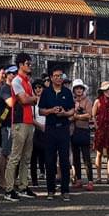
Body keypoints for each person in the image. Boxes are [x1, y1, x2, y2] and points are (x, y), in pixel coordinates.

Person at [3, 53, 38, 202]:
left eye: (30, 64)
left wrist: (31, 99)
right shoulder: (17, 81)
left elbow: (31, 100)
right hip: (19, 121)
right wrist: (32, 98)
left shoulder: (27, 81)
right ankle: (9, 189)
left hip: (29, 121)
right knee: (15, 156)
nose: (30, 66)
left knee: (26, 157)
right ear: (20, 65)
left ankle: (23, 186)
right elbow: (24, 99)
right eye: (28, 64)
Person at [39, 68, 74, 201]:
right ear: (51, 77)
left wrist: (64, 113)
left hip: (63, 128)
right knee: (49, 160)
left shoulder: (67, 92)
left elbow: (72, 110)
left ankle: (65, 190)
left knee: (64, 160)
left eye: (60, 76)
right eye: (56, 76)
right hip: (50, 128)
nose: (58, 78)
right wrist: (51, 111)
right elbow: (41, 111)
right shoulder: (46, 92)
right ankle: (50, 190)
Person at [70, 79, 93, 191]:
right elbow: (69, 114)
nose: (79, 90)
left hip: (84, 130)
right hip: (73, 131)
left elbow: (89, 115)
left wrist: (77, 116)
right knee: (76, 157)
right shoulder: (72, 101)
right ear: (74, 90)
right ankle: (78, 180)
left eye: (80, 88)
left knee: (86, 157)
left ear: (83, 90)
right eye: (77, 88)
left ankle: (90, 181)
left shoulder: (87, 100)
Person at [0, 66, 13, 189]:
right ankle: (2, 179)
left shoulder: (15, 87)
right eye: (11, 73)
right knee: (5, 152)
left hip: (16, 122)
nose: (14, 75)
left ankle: (11, 179)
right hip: (6, 123)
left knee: (14, 154)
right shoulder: (5, 88)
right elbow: (8, 105)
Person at [93, 81, 109, 185]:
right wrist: (96, 126)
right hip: (101, 128)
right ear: (103, 91)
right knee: (99, 153)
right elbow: (93, 115)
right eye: (107, 89)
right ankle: (98, 177)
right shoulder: (97, 101)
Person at [29, 79, 46, 186]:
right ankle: (34, 180)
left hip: (47, 130)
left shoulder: (47, 100)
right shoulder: (32, 102)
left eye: (40, 87)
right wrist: (40, 126)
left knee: (47, 156)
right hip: (35, 130)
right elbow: (30, 117)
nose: (38, 89)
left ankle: (48, 177)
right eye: (35, 87)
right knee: (33, 157)